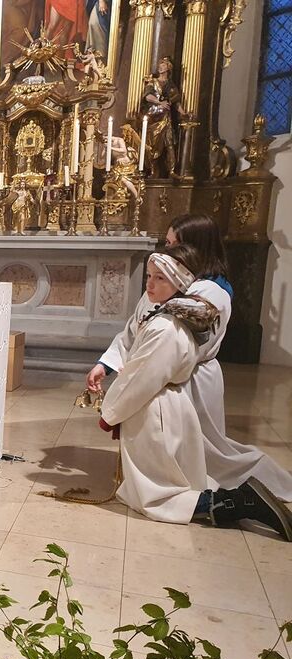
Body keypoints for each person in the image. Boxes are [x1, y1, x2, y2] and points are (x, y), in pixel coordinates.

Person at [91, 214, 292, 506]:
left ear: (197, 247)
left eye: (175, 244)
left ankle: (265, 488)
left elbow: (169, 344)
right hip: (160, 375)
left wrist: (121, 399)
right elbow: (135, 328)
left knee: (212, 455)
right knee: (188, 451)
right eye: (167, 242)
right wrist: (106, 364)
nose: (168, 250)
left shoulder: (209, 292)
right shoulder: (165, 280)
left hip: (190, 380)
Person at [142, 56, 184, 177]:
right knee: (153, 144)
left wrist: (183, 113)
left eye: (163, 65)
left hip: (165, 117)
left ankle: (172, 170)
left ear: (168, 68)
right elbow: (147, 96)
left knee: (169, 143)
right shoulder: (153, 82)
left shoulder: (171, 85)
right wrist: (160, 102)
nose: (160, 67)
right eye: (160, 65)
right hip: (153, 117)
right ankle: (152, 170)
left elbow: (176, 102)